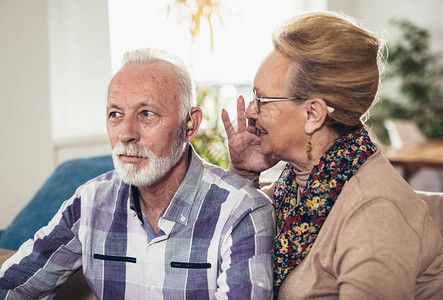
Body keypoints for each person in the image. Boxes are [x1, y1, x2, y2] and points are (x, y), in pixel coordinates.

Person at [0, 48, 275, 299]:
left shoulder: (243, 211)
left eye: (146, 113)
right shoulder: (89, 203)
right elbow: (12, 286)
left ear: (190, 125)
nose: (126, 134)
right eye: (115, 114)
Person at [221, 12, 443, 299]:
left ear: (313, 114)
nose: (251, 112)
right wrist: (245, 172)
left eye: (262, 99)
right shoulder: (298, 187)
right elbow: (226, 245)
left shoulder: (375, 216)